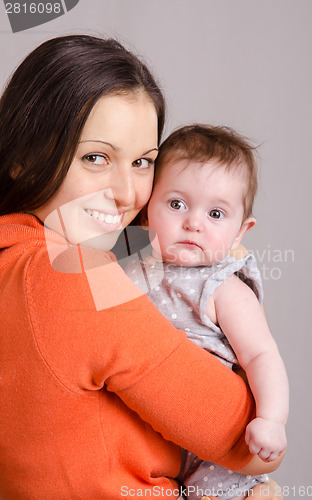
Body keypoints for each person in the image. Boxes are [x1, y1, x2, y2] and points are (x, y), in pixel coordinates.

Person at [0, 35, 283, 499]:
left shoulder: (14, 257)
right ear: (23, 156)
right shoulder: (73, 274)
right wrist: (234, 296)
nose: (127, 192)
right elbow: (247, 444)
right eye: (95, 157)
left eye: (141, 162)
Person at [125, 125, 289, 499]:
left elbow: (262, 355)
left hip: (213, 450)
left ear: (239, 232)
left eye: (216, 213)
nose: (193, 223)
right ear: (147, 211)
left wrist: (271, 420)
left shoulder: (223, 288)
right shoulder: (134, 263)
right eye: (177, 204)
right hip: (150, 439)